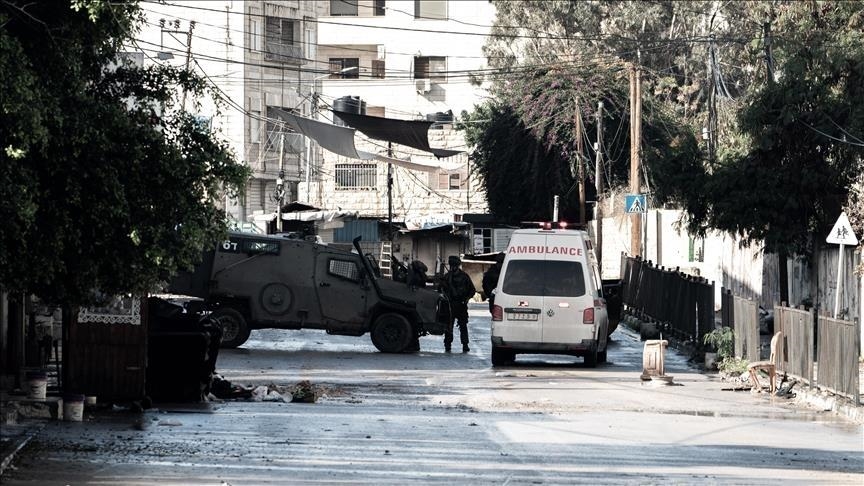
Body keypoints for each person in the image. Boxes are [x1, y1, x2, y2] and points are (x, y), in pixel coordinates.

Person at [441, 255, 476, 353]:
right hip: (450, 305)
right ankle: (447, 345)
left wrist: (466, 299)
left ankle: (465, 344)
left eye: (454, 266)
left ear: (457, 266)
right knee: (449, 326)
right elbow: (441, 290)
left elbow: (472, 290)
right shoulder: (447, 277)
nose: (452, 268)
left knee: (463, 326)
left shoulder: (464, 277)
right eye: (451, 266)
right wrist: (443, 286)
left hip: (461, 305)